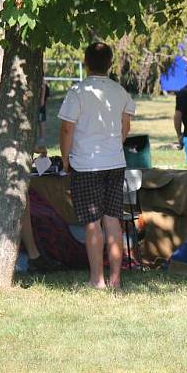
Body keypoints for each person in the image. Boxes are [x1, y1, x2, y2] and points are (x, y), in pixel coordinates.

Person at [59, 41, 136, 290]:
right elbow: (126, 126)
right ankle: (116, 278)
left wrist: (65, 156)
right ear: (111, 64)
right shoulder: (120, 92)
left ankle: (97, 279)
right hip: (115, 162)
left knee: (92, 223)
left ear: (85, 62)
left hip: (86, 164)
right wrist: (115, 143)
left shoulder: (78, 92)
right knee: (112, 220)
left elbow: (67, 128)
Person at [37, 77, 49, 145]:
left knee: (42, 120)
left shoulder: (43, 83)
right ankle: (41, 136)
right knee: (40, 120)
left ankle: (43, 137)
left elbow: (44, 85)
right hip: (41, 101)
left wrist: (42, 99)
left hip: (41, 103)